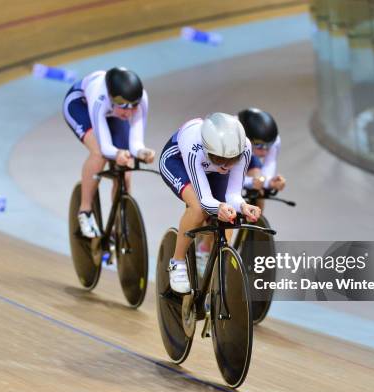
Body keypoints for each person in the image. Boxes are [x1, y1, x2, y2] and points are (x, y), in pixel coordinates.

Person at [159, 112, 261, 293]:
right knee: (198, 209)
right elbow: (205, 200)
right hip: (178, 162)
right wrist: (219, 206)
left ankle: (218, 272)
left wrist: (244, 206)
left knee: (230, 216)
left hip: (209, 170)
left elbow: (233, 195)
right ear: (207, 150)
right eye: (219, 159)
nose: (226, 166)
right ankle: (177, 262)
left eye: (232, 160)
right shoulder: (194, 145)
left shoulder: (244, 148)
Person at [63, 67, 155, 238]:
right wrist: (117, 153)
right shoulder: (100, 97)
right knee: (99, 153)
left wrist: (142, 153)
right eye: (124, 107)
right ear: (112, 99)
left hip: (111, 114)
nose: (129, 113)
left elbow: (135, 144)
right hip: (80, 106)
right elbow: (106, 148)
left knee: (126, 169)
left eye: (133, 107)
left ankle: (120, 223)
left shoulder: (140, 99)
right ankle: (85, 211)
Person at [238, 108, 286, 197]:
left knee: (259, 189)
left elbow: (269, 166)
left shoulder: (274, 140)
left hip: (247, 153)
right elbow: (224, 178)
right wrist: (250, 182)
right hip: (226, 157)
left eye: (268, 147)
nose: (264, 153)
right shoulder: (233, 139)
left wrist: (269, 182)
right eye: (260, 147)